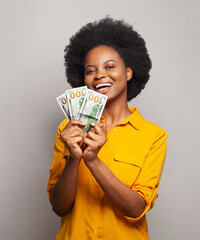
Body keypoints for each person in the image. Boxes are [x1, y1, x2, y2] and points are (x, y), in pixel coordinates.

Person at [47, 17, 167, 240]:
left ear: (129, 72)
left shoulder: (154, 136)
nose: (99, 75)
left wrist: (92, 160)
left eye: (110, 66)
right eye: (90, 70)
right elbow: (59, 207)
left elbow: (136, 209)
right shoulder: (69, 128)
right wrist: (74, 158)